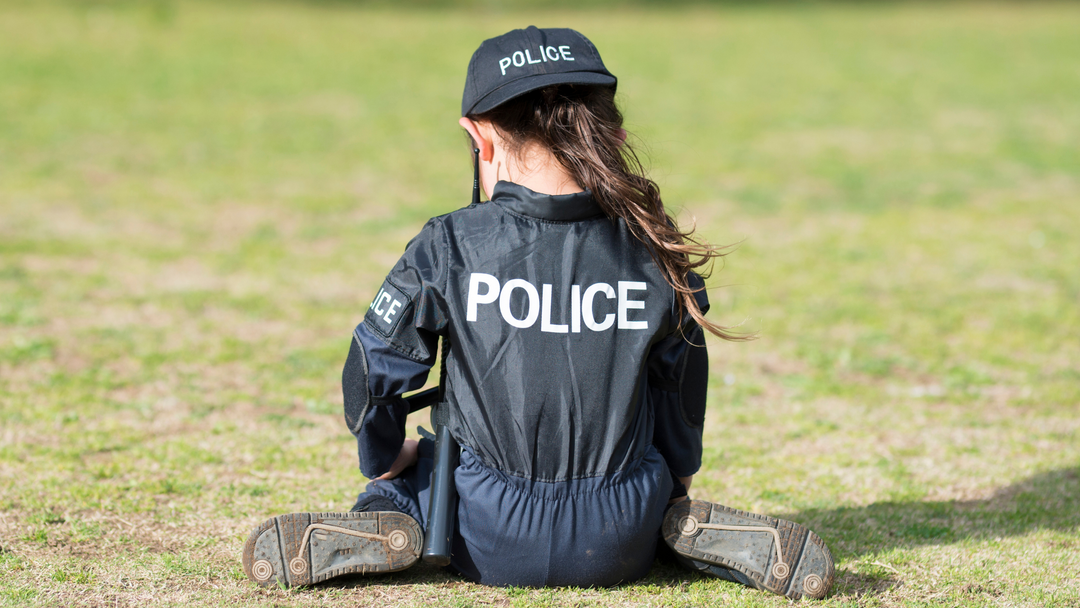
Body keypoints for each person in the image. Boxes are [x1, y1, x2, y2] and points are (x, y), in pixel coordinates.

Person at [241, 26, 834, 600]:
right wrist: (677, 479)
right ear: (615, 135)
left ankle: (391, 514)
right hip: (620, 535)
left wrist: (385, 460)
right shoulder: (654, 248)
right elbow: (681, 392)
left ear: (479, 139)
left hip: (479, 530)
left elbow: (371, 372)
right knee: (651, 483)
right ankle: (674, 526)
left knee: (413, 481)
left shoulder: (449, 245)